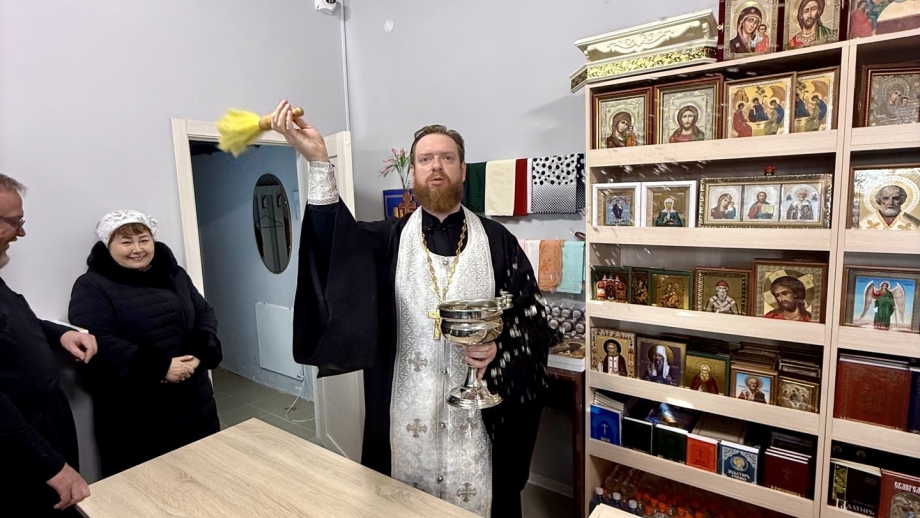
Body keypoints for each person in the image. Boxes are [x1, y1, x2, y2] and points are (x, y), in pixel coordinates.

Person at [274, 100, 550, 518]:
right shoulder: (386, 240)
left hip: (478, 418)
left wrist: (499, 345)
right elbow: (333, 249)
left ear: (462, 169)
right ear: (415, 172)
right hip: (402, 411)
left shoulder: (499, 241)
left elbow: (532, 319)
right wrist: (318, 162)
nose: (436, 166)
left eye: (447, 158)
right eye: (425, 159)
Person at [68, 210, 222, 477]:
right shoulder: (92, 286)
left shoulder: (175, 274)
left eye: (143, 240)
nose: (137, 249)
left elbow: (204, 313)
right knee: (152, 484)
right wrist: (160, 367)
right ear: (108, 245)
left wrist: (198, 354)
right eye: (126, 242)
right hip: (136, 412)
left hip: (195, 399)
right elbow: (97, 339)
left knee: (205, 473)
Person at [0, 173, 97, 516]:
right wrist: (51, 465)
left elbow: (14, 322)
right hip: (18, 445)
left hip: (45, 424)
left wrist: (60, 334)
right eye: (15, 222)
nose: (20, 233)